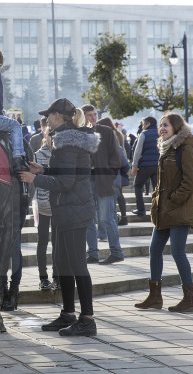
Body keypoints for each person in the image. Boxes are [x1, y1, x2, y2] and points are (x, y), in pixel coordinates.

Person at [19, 98, 99, 337]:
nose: (46, 120)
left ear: (58, 117)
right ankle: (68, 313)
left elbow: (66, 182)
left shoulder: (66, 143)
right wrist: (43, 170)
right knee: (63, 264)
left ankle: (87, 319)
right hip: (67, 210)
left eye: (49, 116)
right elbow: (67, 173)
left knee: (76, 264)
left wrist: (35, 179)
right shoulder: (67, 139)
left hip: (73, 210)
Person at [135, 113, 193, 313]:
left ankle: (190, 299)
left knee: (177, 252)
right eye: (161, 125)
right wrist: (157, 198)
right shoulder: (165, 148)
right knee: (154, 249)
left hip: (179, 209)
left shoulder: (185, 148)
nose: (162, 128)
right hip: (164, 210)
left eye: (166, 125)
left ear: (176, 128)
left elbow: (191, 180)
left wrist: (174, 199)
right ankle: (155, 296)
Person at [81, 105, 123, 265]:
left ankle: (116, 252)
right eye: (89, 115)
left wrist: (109, 176)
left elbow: (115, 157)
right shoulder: (80, 133)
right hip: (85, 182)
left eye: (94, 114)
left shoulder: (106, 131)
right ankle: (92, 253)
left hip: (103, 181)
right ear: (83, 117)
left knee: (106, 218)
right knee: (89, 219)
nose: (93, 118)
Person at [34, 126, 55, 290]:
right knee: (42, 241)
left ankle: (58, 276)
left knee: (58, 242)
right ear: (45, 136)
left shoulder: (62, 154)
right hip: (42, 204)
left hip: (58, 203)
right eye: (50, 135)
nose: (53, 138)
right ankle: (43, 278)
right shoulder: (38, 155)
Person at [131, 117, 159, 215]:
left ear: (148, 124)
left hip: (145, 166)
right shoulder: (161, 133)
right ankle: (158, 209)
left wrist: (134, 165)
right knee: (157, 188)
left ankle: (141, 209)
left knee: (137, 185)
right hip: (158, 165)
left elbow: (137, 151)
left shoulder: (144, 134)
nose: (142, 126)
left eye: (143, 124)